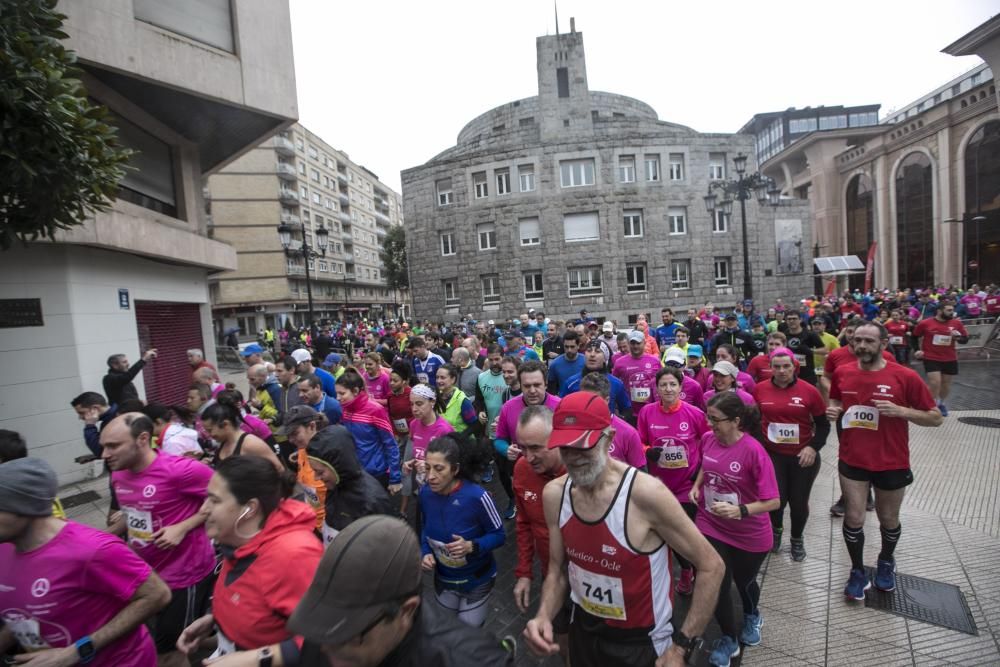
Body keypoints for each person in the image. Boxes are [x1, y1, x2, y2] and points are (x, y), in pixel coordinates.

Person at [524, 392, 725, 667]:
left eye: (583, 446)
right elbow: (558, 571)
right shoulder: (555, 495)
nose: (574, 457)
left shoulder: (646, 495)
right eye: (565, 447)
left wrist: (682, 646)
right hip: (583, 631)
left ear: (608, 437)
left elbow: (712, 566)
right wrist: (544, 615)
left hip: (640, 643)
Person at [0, 457, 171, 666]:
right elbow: (24, 611)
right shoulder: (4, 549)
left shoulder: (92, 549)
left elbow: (157, 594)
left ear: (26, 507)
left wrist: (77, 651)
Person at [290, 515, 515, 666]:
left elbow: (497, 534)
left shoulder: (468, 659)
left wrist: (472, 546)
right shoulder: (330, 634)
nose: (329, 652)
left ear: (406, 611)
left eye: (351, 635)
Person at [827, 321, 942, 600]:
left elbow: (935, 417)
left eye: (869, 341)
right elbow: (835, 401)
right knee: (854, 516)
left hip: (892, 460)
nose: (862, 346)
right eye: (857, 341)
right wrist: (834, 410)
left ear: (884, 344)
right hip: (852, 458)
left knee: (887, 518)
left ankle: (886, 562)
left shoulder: (905, 377)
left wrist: (901, 411)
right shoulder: (843, 372)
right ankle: (856, 571)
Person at [177, 456, 322, 665]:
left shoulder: (293, 555)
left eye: (215, 500)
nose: (203, 509)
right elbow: (252, 597)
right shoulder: (240, 539)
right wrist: (216, 620)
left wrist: (252, 659)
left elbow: (323, 640)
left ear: (249, 509)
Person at [101, 413, 216, 667]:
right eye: (103, 446)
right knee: (165, 640)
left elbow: (223, 496)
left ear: (143, 439)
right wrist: (102, 538)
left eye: (113, 446)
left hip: (185, 575)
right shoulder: (119, 474)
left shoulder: (181, 470)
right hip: (145, 575)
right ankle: (221, 639)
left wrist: (184, 526)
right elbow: (135, 515)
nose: (104, 455)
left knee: (169, 654)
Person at [689, 392, 780, 666]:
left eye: (715, 419)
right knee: (713, 581)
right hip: (710, 521)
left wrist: (740, 510)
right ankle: (728, 639)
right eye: (708, 417)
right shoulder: (707, 439)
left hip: (748, 532)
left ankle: (752, 616)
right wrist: (696, 485)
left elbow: (773, 501)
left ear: (736, 421)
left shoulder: (754, 451)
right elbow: (707, 465)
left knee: (743, 582)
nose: (710, 424)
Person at [636, 366, 711, 596]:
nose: (668, 389)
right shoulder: (647, 412)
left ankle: (700, 570)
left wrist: (699, 469)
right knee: (670, 534)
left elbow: (709, 440)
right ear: (656, 388)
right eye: (663, 385)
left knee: (691, 532)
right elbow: (639, 441)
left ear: (681, 388)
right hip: (661, 486)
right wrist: (648, 450)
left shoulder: (695, 414)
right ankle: (686, 569)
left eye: (673, 385)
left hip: (688, 485)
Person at [419, 434, 505, 627]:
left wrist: (472, 546)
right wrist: (424, 552)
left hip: (477, 580)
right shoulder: (425, 494)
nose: (430, 476)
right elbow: (425, 528)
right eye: (427, 468)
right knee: (445, 633)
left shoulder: (477, 497)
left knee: (467, 637)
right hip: (444, 580)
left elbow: (499, 535)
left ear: (455, 469)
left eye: (439, 469)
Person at [754, 347, 829, 561]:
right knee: (777, 500)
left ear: (794, 367)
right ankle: (776, 532)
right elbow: (754, 422)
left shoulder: (809, 391)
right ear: (770, 368)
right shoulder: (760, 390)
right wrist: (762, 449)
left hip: (802, 456)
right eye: (776, 367)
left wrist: (813, 448)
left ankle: (797, 539)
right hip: (774, 455)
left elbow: (823, 426)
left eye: (786, 366)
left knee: (798, 502)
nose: (781, 371)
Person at [511, 407, 567, 631]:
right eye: (522, 448)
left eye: (535, 447)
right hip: (551, 574)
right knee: (563, 642)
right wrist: (524, 572)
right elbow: (524, 523)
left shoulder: (581, 473)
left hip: (590, 577)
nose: (528, 457)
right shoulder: (522, 469)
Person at [308, 419, 394, 545]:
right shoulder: (335, 485)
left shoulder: (372, 501)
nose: (316, 478)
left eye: (320, 472)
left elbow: (386, 548)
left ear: (337, 466)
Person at [495, 361, 561, 517]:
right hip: (524, 473)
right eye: (526, 386)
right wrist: (506, 450)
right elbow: (498, 439)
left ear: (546, 384)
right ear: (520, 385)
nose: (532, 390)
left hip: (556, 474)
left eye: (537, 385)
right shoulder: (508, 407)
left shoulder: (561, 406)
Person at [335, 369, 403, 493]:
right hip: (353, 471)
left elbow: (391, 444)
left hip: (376, 473)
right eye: (337, 393)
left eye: (342, 393)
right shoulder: (344, 409)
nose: (337, 398)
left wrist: (395, 478)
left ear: (355, 391)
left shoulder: (376, 410)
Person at [277, 405, 333, 530]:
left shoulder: (330, 457)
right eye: (288, 435)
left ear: (312, 426)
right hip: (313, 523)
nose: (291, 440)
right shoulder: (304, 446)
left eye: (295, 433)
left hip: (330, 527)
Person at [579, 372, 646, 470]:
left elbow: (641, 475)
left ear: (607, 400)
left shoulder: (628, 433)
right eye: (584, 399)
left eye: (594, 400)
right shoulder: (573, 428)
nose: (588, 405)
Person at [912, 301, 968, 416]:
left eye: (952, 310)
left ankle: (940, 403)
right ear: (939, 311)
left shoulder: (956, 323)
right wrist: (917, 349)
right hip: (931, 357)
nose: (951, 313)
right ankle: (929, 405)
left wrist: (958, 338)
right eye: (948, 310)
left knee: (946, 384)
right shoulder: (925, 323)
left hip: (949, 357)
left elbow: (965, 339)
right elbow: (914, 336)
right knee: (935, 382)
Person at [562, 339, 633, 419]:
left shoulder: (616, 383)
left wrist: (616, 423)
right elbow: (561, 409)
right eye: (589, 351)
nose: (592, 354)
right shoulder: (570, 383)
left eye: (597, 351)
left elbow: (626, 410)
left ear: (605, 358)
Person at [201, 401, 283, 470]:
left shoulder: (250, 443)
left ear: (225, 424)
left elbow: (278, 469)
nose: (209, 435)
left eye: (210, 430)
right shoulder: (224, 442)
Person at [611, 329, 662, 412]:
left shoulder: (654, 361)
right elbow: (613, 383)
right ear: (628, 344)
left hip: (651, 408)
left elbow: (662, 381)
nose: (635, 346)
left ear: (644, 343)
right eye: (632, 343)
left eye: (638, 343)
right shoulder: (619, 362)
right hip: (629, 409)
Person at [778, 310, 826, 385]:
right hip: (789, 372)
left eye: (794, 319)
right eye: (789, 319)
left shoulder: (810, 334)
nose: (791, 321)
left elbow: (824, 350)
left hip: (807, 372)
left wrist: (810, 350)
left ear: (800, 320)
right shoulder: (783, 335)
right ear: (786, 321)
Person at [435, 363, 479, 434]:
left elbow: (474, 426)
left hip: (459, 442)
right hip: (441, 442)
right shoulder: (435, 397)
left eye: (442, 378)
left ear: (453, 379)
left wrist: (460, 438)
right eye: (437, 377)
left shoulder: (462, 400)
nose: (438, 381)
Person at [547, 330, 585, 395]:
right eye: (566, 347)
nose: (569, 350)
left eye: (572, 347)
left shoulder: (586, 362)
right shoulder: (555, 364)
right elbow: (551, 389)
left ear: (578, 346)